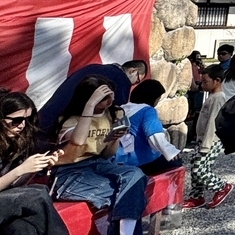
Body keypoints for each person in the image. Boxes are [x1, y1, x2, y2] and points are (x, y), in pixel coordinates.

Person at [50, 76, 148, 235]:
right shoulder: (69, 119)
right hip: (69, 173)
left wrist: (113, 139)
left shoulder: (110, 114)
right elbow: (78, 140)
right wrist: (90, 105)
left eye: (111, 96)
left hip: (97, 164)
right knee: (128, 195)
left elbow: (107, 155)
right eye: (104, 98)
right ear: (88, 99)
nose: (109, 102)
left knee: (136, 176)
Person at [0, 91, 69, 235]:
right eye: (16, 120)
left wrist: (36, 167)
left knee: (23, 228)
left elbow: (12, 187)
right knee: (37, 196)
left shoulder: (13, 143)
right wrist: (20, 170)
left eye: (27, 120)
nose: (22, 126)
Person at [183, 65, 232, 210]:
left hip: (210, 141)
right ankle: (197, 197)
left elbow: (212, 123)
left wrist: (205, 145)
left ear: (217, 81)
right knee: (195, 167)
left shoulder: (218, 98)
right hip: (203, 139)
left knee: (200, 169)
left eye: (205, 82)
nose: (202, 85)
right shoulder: (212, 96)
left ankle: (221, 187)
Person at [115, 80, 182, 175]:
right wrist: (170, 151)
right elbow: (154, 135)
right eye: (158, 98)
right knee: (176, 163)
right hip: (142, 161)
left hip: (121, 159)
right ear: (153, 98)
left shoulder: (122, 109)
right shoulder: (147, 111)